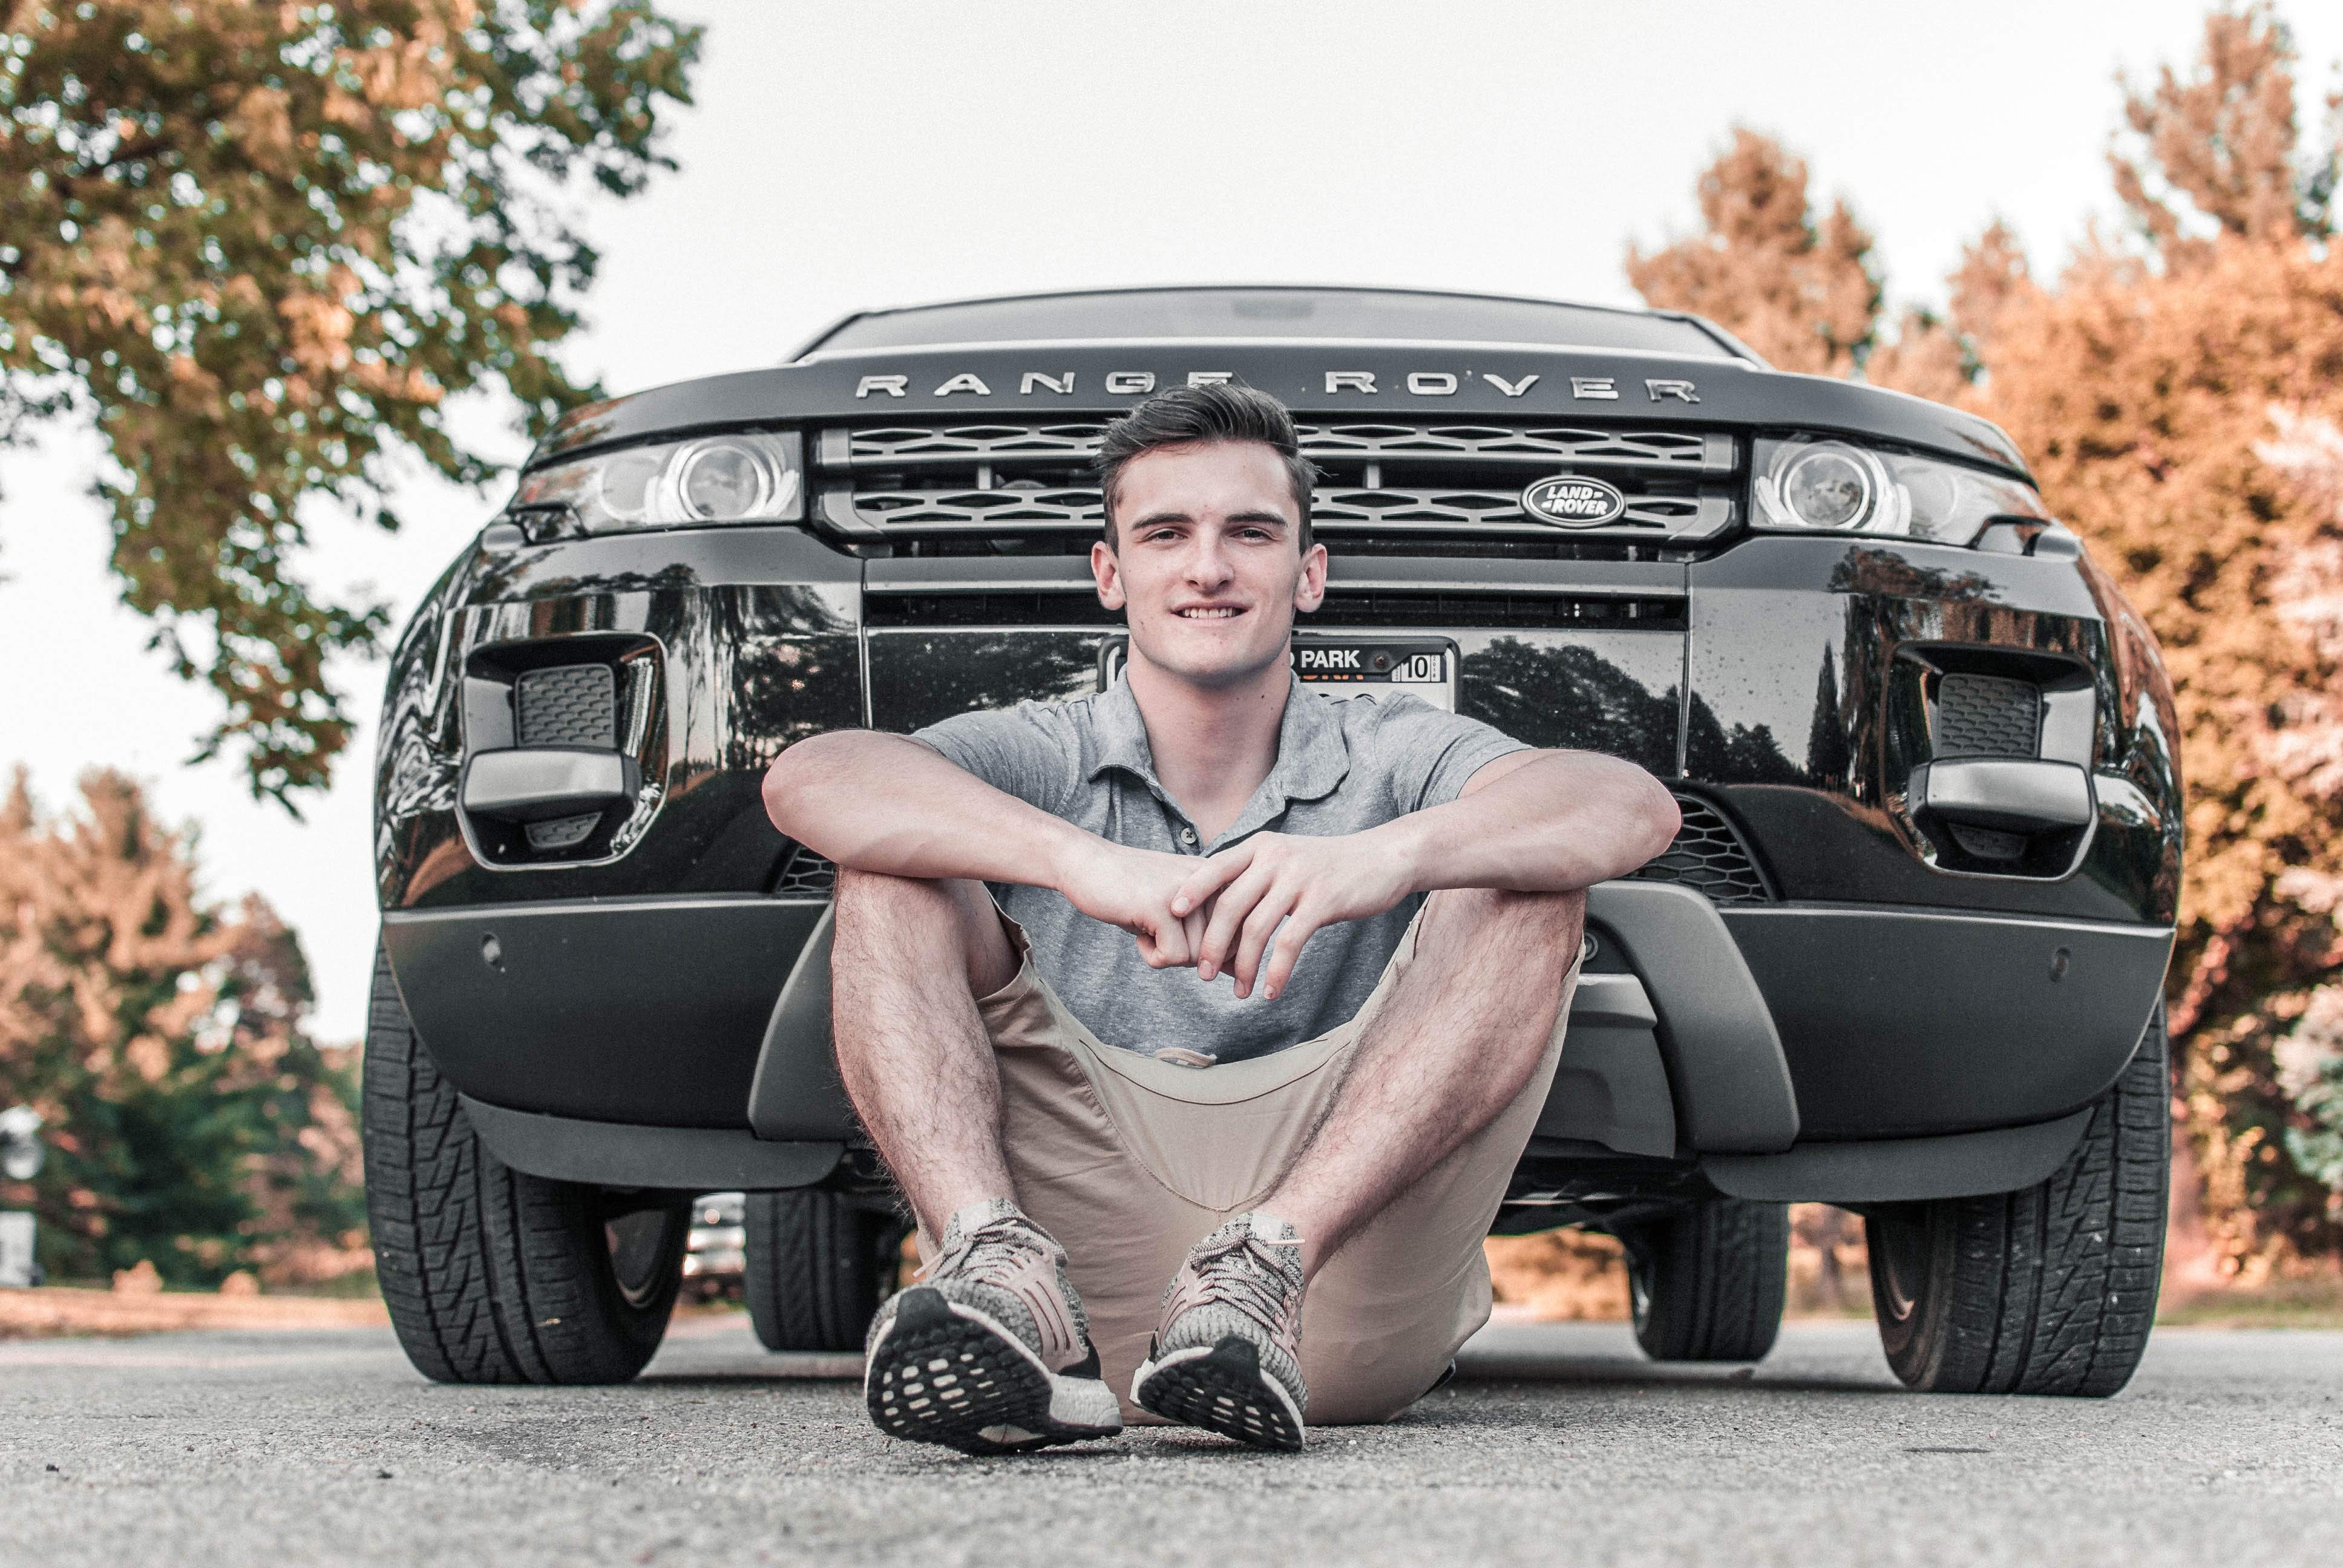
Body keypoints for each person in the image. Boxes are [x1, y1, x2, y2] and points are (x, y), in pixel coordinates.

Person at [762, 383, 1678, 1454]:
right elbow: (818, 778)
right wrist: (1082, 864)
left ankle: (1259, 1267)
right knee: (887, 868)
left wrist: (1384, 858)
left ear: (1310, 571)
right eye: (1165, 534)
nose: (1208, 568)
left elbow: (1626, 805)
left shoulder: (1388, 745)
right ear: (1112, 576)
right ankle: (989, 1263)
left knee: (1525, 876)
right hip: (1064, 1292)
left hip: (1322, 1287)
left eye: (1251, 532)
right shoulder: (1046, 745)